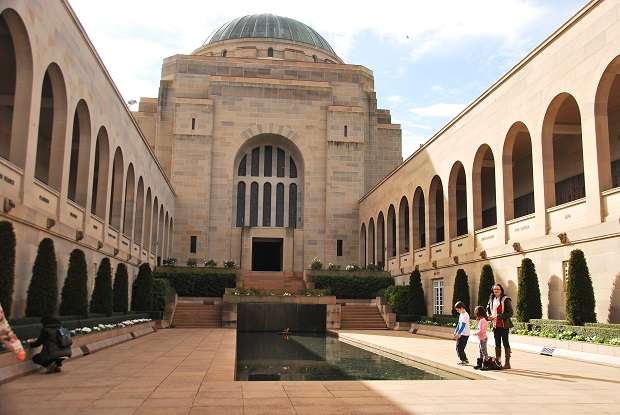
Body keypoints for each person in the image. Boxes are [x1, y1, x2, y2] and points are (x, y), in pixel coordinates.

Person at [486, 283, 514, 369]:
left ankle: (507, 363)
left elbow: (510, 313)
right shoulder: (491, 299)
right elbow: (488, 309)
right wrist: (489, 316)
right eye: (495, 289)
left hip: (504, 325)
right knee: (497, 343)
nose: (496, 291)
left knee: (505, 343)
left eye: (498, 289)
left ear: (501, 290)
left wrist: (499, 316)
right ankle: (498, 362)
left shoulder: (506, 299)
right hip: (495, 325)